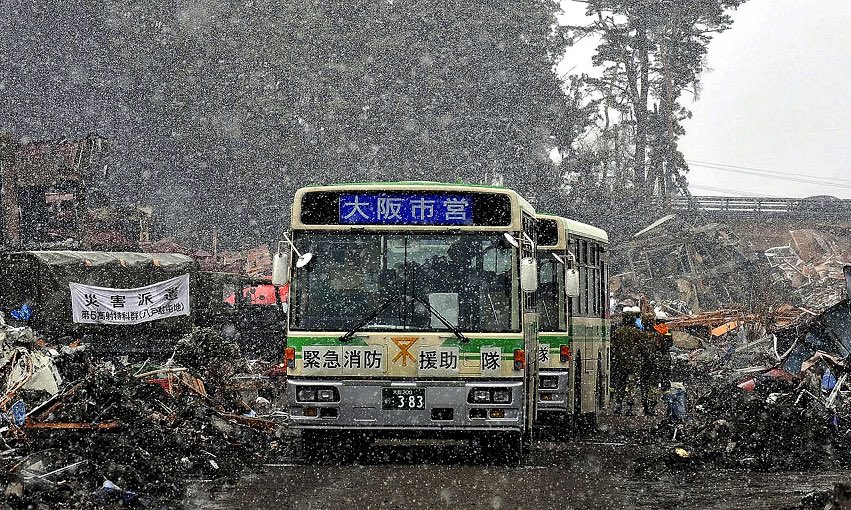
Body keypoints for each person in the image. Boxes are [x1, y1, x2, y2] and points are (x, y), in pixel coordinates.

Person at [611, 307, 645, 415]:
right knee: (631, 385)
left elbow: (613, 347)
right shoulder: (637, 332)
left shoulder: (618, 331)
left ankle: (618, 405)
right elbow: (642, 347)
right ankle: (630, 408)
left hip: (620, 362)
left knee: (620, 384)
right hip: (633, 363)